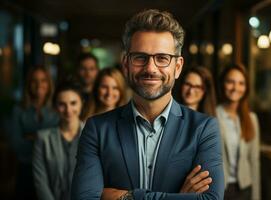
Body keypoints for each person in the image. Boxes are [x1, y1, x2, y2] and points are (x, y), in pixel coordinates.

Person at [71, 9, 224, 200]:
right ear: (126, 64)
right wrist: (178, 197)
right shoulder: (97, 129)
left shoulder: (203, 128)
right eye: (140, 57)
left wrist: (128, 197)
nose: (150, 68)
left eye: (162, 58)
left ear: (177, 67)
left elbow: (210, 199)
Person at [9, 66, 59, 199]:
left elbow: (59, 141)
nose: (39, 85)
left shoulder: (58, 109)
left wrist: (33, 137)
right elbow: (17, 144)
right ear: (28, 84)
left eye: (43, 80)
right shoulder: (18, 110)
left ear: (49, 84)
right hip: (26, 169)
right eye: (34, 81)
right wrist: (45, 138)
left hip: (52, 170)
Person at [33, 81, 84, 200]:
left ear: (82, 104)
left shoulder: (94, 135)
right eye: (62, 104)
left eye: (73, 103)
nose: (68, 109)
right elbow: (41, 182)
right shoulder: (43, 139)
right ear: (55, 107)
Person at [216, 64, 260, 200]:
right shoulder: (211, 116)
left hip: (244, 189)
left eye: (241, 83)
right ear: (223, 84)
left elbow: (254, 161)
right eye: (231, 82)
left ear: (246, 88)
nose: (236, 88)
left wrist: (256, 196)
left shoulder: (251, 119)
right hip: (219, 189)